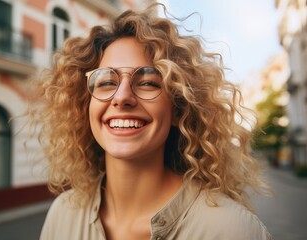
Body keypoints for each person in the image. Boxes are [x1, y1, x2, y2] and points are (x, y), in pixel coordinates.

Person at [32, 4, 271, 240]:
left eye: (148, 82)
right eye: (106, 82)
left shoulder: (232, 230)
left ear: (179, 109)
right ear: (86, 106)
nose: (122, 97)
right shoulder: (62, 214)